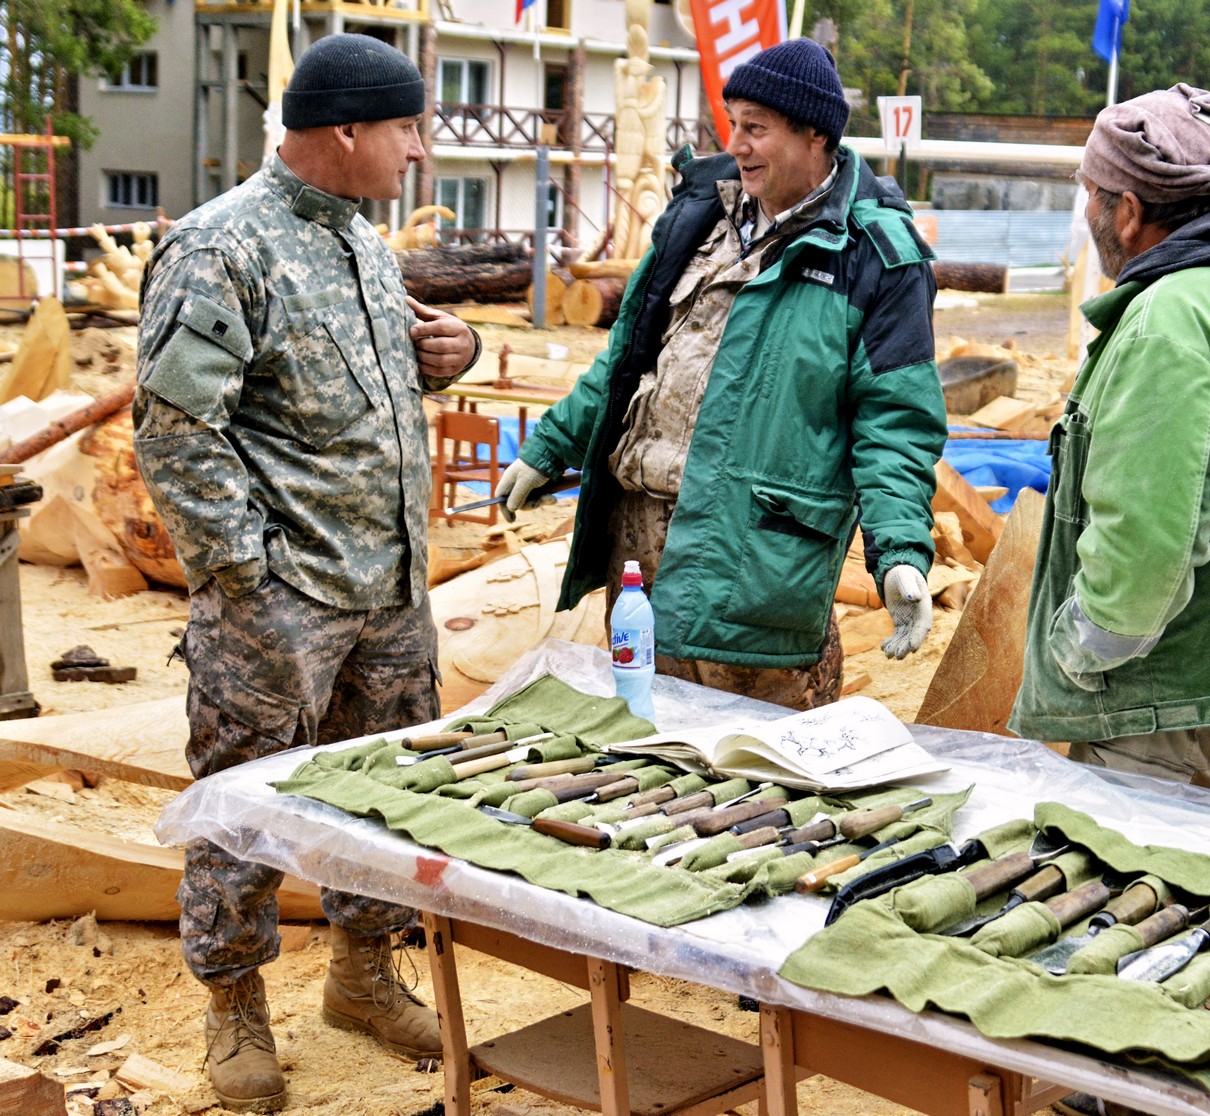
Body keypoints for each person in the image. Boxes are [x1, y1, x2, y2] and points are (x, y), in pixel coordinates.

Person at [133, 33, 480, 1113]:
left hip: (389, 591)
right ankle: (233, 1008)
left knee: (380, 803)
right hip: (281, 604)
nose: (419, 152)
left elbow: (352, 404)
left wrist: (451, 353)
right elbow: (178, 433)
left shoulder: (367, 246)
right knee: (239, 808)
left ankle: (363, 975)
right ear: (346, 130)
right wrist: (248, 582)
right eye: (408, 129)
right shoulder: (217, 249)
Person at [494, 39, 948, 710]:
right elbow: (627, 362)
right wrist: (551, 444)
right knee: (650, 759)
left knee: (764, 781)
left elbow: (896, 424)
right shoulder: (699, 217)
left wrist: (901, 552)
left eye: (755, 127)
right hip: (640, 560)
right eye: (731, 123)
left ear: (815, 133)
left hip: (753, 574)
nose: (736, 144)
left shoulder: (876, 257)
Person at [1009, 83, 1210, 797]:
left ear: (1127, 213)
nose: (1085, 211)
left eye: (1090, 194)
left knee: (1113, 878)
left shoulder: (1168, 323)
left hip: (1173, 693)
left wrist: (1072, 653)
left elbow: (1146, 550)